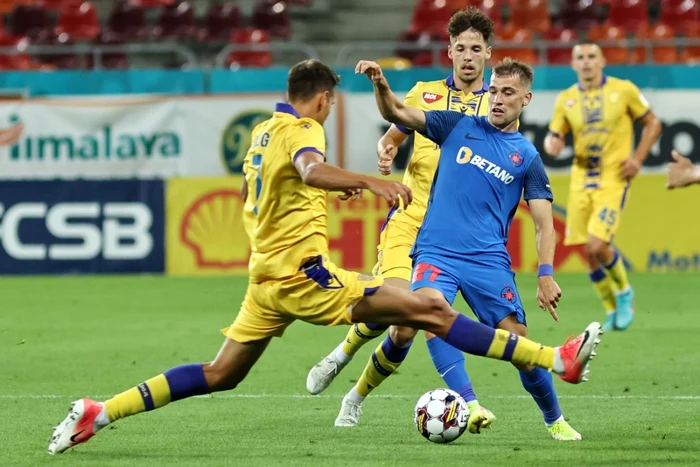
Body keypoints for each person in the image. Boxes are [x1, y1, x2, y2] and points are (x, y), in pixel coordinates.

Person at [48, 59, 601, 456]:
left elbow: (270, 191)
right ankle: (557, 361)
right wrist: (368, 183)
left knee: (220, 373)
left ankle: (101, 412)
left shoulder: (262, 131)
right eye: (332, 100)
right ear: (321, 99)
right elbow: (313, 169)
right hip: (306, 276)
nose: (331, 108)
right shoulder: (304, 128)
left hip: (263, 277)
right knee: (428, 310)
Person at [340, 57, 590, 441]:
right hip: (437, 251)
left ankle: (554, 420)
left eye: (508, 93)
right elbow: (399, 112)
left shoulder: (527, 157)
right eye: (493, 91)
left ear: (526, 98)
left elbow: (544, 224)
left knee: (519, 343)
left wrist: (545, 274)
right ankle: (470, 404)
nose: (497, 99)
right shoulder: (456, 125)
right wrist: (380, 85)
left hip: (489, 261)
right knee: (428, 313)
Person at [306, 7, 500, 433]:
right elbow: (396, 128)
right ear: (449, 51)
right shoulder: (424, 92)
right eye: (461, 48)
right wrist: (387, 147)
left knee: (406, 327)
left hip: (452, 233)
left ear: (488, 54)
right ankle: (342, 353)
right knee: (398, 300)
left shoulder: (497, 106)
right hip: (409, 217)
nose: (468, 56)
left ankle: (354, 397)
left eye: (476, 49)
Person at [543, 42, 661, 332]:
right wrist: (552, 144)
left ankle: (623, 293)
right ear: (573, 64)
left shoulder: (624, 90)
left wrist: (637, 158)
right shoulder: (566, 99)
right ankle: (610, 310)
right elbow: (553, 135)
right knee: (589, 252)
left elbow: (653, 123)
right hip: (581, 180)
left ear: (602, 60)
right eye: (580, 58)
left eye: (591, 57)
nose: (586, 62)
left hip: (613, 178)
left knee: (599, 244)